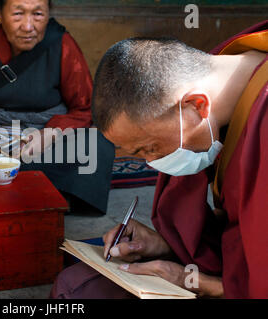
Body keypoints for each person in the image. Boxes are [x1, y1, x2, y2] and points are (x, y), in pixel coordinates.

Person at [50, 20, 267, 298]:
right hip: (240, 271)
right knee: (76, 285)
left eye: (149, 148)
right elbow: (243, 227)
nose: (151, 163)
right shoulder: (228, 70)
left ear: (197, 104)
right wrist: (165, 244)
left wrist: (190, 281)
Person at [0, 0, 115, 214]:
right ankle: (41, 191)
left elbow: (84, 108)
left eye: (38, 15)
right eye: (18, 14)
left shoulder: (62, 43)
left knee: (97, 144)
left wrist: (51, 134)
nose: (28, 26)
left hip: (41, 141)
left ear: (48, 15)